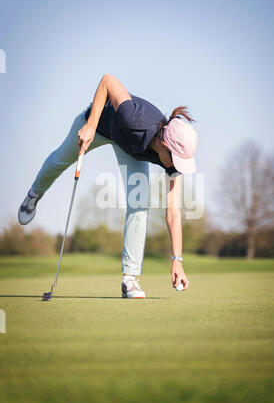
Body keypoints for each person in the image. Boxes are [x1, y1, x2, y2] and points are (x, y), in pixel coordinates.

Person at [18, 74, 198, 299]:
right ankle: (34, 194)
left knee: (140, 203)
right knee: (59, 161)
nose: (176, 166)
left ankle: (129, 280)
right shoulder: (135, 117)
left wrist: (177, 260)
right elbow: (107, 81)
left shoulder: (171, 161)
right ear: (163, 145)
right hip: (100, 124)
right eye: (176, 158)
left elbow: (174, 212)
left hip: (128, 146)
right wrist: (91, 126)